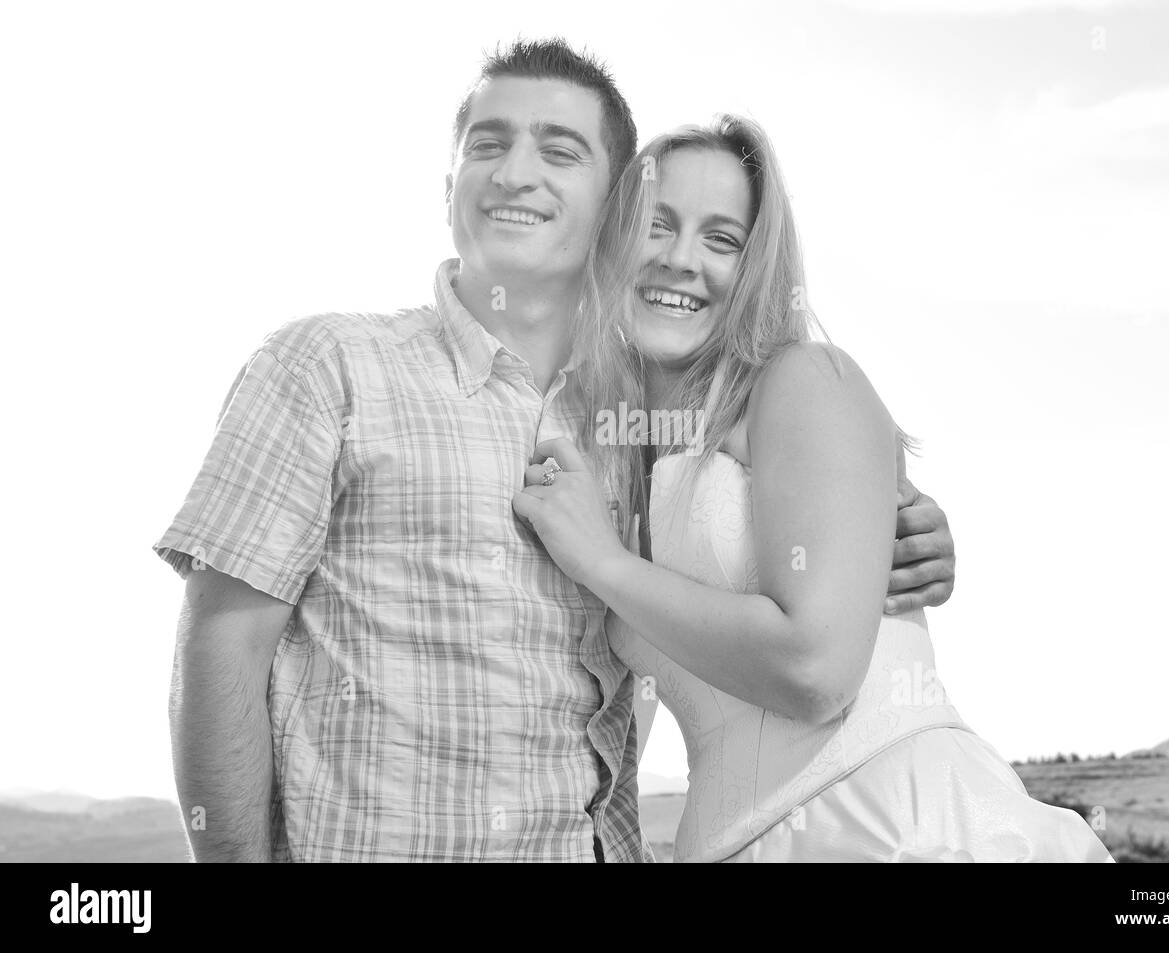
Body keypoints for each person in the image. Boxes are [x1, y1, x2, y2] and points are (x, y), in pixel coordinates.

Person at [155, 39, 956, 862]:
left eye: (559, 150)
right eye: (487, 144)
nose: (513, 173)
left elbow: (776, 554)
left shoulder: (637, 431)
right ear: (448, 187)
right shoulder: (327, 366)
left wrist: (905, 533)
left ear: (606, 206)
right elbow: (221, 645)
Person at [513, 116, 1112, 862]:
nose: (680, 260)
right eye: (656, 226)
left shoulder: (803, 380)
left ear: (757, 266)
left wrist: (603, 563)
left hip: (891, 828)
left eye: (721, 238)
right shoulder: (616, 454)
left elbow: (816, 670)